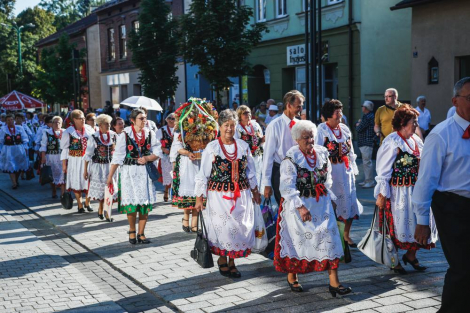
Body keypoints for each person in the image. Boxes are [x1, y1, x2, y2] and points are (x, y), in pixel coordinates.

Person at [412, 77, 470, 312]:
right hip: (452, 206)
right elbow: (425, 181)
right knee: (462, 267)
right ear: (455, 101)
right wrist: (422, 222)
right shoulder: (441, 134)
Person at [274, 120, 352, 296]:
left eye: (311, 136)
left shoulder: (322, 153)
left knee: (330, 240)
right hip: (300, 206)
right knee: (297, 242)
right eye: (305, 137)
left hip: (321, 204)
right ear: (296, 139)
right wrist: (300, 207)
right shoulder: (291, 158)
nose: (309, 140)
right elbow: (287, 187)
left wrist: (330, 197)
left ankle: (334, 283)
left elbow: (328, 178)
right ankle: (292, 276)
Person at [194, 109, 261, 278]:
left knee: (238, 228)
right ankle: (223, 259)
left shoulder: (243, 146)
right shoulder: (213, 147)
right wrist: (199, 198)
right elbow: (203, 175)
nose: (229, 129)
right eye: (226, 125)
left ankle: (232, 262)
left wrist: (255, 191)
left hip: (241, 196)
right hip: (219, 197)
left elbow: (250, 172)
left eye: (232, 125)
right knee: (224, 228)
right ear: (219, 126)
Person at [375, 104, 438, 274]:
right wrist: (381, 194)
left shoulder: (416, 140)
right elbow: (383, 170)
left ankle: (411, 255)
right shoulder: (392, 141)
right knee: (396, 226)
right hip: (398, 192)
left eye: (416, 122)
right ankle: (394, 261)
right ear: (403, 123)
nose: (416, 125)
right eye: (413, 122)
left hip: (417, 189)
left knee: (421, 223)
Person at [107, 109, 161, 244]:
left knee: (144, 203)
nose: (144, 120)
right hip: (129, 172)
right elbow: (118, 157)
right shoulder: (125, 135)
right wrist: (110, 177)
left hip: (144, 173)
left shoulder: (150, 133)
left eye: (145, 118)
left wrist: (148, 158)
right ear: (132, 120)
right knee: (131, 204)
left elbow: (158, 151)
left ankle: (141, 233)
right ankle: (132, 230)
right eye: (141, 118)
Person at [316, 99, 363, 247]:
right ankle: (331, 236)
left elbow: (351, 150)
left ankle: (346, 235)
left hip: (345, 170)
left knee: (349, 202)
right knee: (332, 203)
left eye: (340, 111)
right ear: (329, 115)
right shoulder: (321, 130)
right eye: (337, 112)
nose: (340, 115)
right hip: (331, 172)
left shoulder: (345, 129)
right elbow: (317, 151)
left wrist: (353, 168)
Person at [263, 90, 304, 205]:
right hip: (280, 172)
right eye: (298, 106)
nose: (301, 109)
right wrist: (266, 183)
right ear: (288, 105)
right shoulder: (274, 125)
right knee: (285, 207)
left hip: (299, 172)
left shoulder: (299, 124)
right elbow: (268, 156)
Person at [171, 121, 203, 233]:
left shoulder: (202, 128)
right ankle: (186, 217)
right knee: (188, 190)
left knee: (197, 190)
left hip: (199, 161)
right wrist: (188, 153)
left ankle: (194, 222)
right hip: (186, 162)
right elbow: (178, 148)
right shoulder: (180, 130)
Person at [60, 109, 95, 213]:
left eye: (84, 118)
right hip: (75, 160)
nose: (83, 120)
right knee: (77, 182)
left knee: (90, 181)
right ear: (74, 119)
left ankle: (87, 202)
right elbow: (64, 148)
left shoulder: (89, 129)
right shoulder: (68, 132)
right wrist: (64, 165)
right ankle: (80, 205)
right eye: (80, 118)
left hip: (88, 159)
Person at [83, 114, 117, 220]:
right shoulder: (94, 136)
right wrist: (85, 171)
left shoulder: (113, 135)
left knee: (110, 189)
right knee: (102, 190)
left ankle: (106, 212)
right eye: (107, 124)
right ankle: (101, 208)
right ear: (100, 125)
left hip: (110, 166)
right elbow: (88, 155)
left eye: (109, 124)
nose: (109, 126)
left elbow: (117, 151)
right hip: (98, 167)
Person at [235, 105, 264, 186]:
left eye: (249, 112)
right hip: (244, 157)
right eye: (245, 113)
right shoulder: (237, 128)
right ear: (239, 115)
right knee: (247, 177)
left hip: (257, 156)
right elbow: (236, 143)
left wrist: (262, 140)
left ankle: (256, 195)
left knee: (258, 176)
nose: (248, 115)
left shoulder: (255, 125)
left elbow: (261, 138)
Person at [0, 114, 29, 189]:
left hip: (19, 148)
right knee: (11, 165)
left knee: (19, 165)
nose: (10, 121)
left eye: (11, 119)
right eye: (8, 120)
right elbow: (1, 140)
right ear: (6, 121)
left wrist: (25, 148)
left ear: (14, 120)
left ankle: (16, 179)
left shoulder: (19, 128)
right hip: (8, 149)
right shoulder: (3, 129)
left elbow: (25, 138)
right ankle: (14, 183)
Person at [40, 116, 65, 199]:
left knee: (63, 174)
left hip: (62, 157)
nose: (57, 124)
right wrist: (43, 157)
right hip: (51, 156)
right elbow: (43, 145)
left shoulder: (65, 132)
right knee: (52, 174)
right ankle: (54, 190)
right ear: (52, 124)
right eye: (55, 122)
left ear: (61, 124)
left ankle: (63, 194)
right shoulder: (47, 132)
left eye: (59, 122)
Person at [356, 101, 376, 188]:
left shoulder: (368, 117)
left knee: (367, 162)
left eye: (363, 106)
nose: (362, 107)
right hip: (365, 142)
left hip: (366, 142)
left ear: (366, 108)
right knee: (365, 162)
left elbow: (359, 128)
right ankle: (367, 180)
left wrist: (358, 124)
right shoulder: (368, 116)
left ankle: (370, 181)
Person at [156, 113, 175, 202]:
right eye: (170, 118)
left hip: (176, 156)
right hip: (166, 156)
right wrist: (163, 148)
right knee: (167, 174)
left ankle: (174, 193)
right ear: (166, 119)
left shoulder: (178, 130)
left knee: (176, 175)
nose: (171, 120)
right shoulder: (161, 130)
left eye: (173, 119)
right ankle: (166, 190)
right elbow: (155, 143)